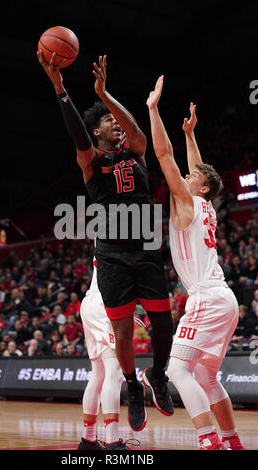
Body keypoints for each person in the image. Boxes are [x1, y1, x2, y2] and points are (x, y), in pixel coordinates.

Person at [37, 51, 174, 432]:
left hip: (146, 248)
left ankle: (158, 376)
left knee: (164, 326)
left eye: (116, 121)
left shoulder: (135, 152)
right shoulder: (92, 161)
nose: (116, 124)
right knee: (124, 334)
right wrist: (60, 88)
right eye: (108, 122)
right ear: (97, 133)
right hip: (112, 255)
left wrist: (105, 93)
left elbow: (138, 133)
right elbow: (78, 134)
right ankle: (132, 386)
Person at [146, 79, 244, 450]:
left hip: (206, 297)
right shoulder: (204, 204)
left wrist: (154, 109)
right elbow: (196, 167)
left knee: (177, 370)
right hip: (224, 299)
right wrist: (190, 133)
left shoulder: (186, 201)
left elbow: (163, 155)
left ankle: (208, 440)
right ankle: (232, 441)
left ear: (200, 188)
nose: (187, 176)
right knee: (206, 375)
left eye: (193, 178)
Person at [77, 259, 128, 451]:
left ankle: (88, 440)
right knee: (114, 372)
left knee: (98, 374)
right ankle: (113, 441)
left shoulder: (107, 232)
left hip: (91, 301)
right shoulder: (128, 233)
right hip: (105, 302)